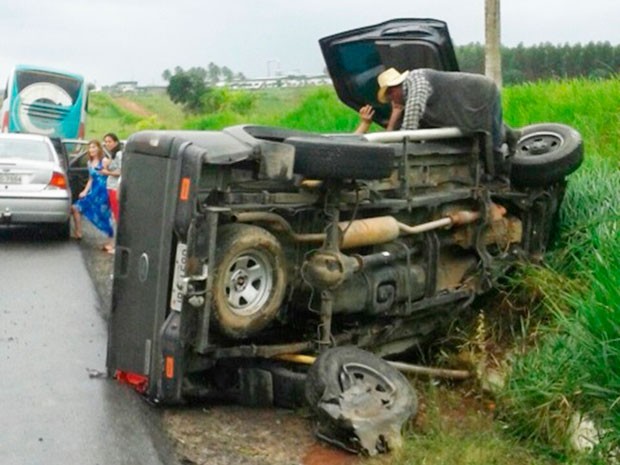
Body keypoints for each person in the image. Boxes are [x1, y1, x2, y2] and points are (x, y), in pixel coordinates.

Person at [355, 67, 519, 155]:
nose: (392, 102)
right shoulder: (406, 95)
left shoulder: (416, 82)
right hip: (458, 106)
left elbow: (409, 127)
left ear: (394, 90)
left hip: (479, 91)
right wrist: (395, 113)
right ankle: (511, 133)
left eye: (391, 98)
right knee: (473, 124)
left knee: (489, 141)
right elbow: (395, 132)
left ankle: (501, 180)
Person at [71, 140, 114, 246]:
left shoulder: (104, 161)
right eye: (90, 147)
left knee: (103, 215)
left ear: (99, 148)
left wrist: (107, 174)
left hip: (103, 191)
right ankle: (78, 232)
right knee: (75, 208)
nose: (92, 150)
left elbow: (114, 173)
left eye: (94, 147)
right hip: (93, 190)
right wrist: (85, 191)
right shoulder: (89, 163)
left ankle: (110, 239)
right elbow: (91, 178)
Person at [100, 133, 122, 253]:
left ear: (116, 142)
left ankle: (116, 245)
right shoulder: (111, 155)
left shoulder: (119, 154)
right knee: (113, 216)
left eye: (109, 141)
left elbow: (121, 171)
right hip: (110, 187)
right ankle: (112, 243)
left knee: (117, 216)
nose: (107, 144)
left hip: (115, 188)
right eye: (105, 142)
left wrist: (106, 172)